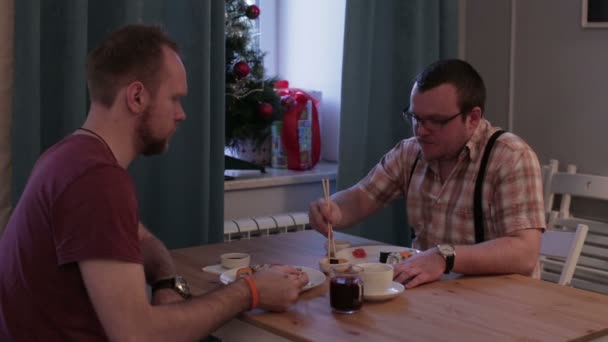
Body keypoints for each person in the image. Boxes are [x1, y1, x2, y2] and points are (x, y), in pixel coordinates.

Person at [0, 24, 309, 341]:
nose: (182, 114)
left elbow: (143, 240)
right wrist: (251, 291)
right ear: (136, 97)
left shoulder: (67, 158)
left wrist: (165, 281)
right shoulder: (96, 181)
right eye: (175, 99)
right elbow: (139, 336)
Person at [309, 59, 545, 290]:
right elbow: (362, 197)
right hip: (435, 298)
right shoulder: (410, 153)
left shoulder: (510, 157)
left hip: (501, 304)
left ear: (472, 118)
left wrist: (444, 256)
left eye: (436, 121)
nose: (421, 130)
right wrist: (334, 209)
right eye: (416, 118)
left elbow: (524, 253)